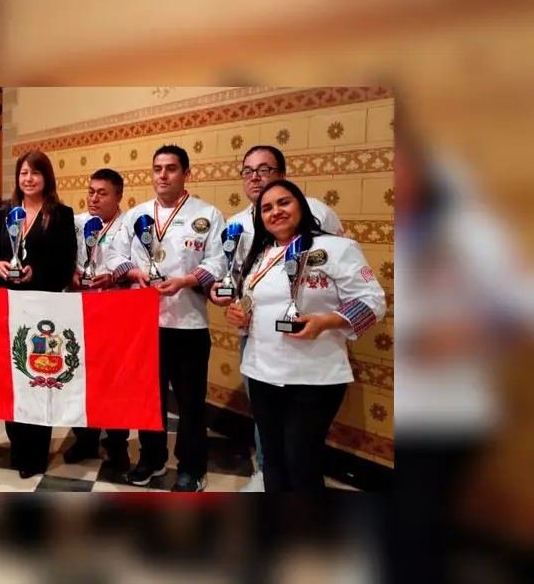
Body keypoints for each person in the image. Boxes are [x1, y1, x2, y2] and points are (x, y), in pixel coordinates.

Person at [217, 178, 385, 492]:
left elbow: (373, 302)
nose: (275, 212)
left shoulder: (335, 247)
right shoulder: (259, 256)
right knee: (273, 457)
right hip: (262, 371)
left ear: (301, 207)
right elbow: (251, 306)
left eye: (284, 203)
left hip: (314, 375)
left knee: (301, 458)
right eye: (266, 208)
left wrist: (325, 321)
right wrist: (238, 314)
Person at [107, 144, 227, 492]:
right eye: (157, 168)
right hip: (143, 324)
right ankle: (153, 459)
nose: (163, 175)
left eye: (171, 168)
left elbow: (218, 262)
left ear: (186, 173)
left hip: (188, 324)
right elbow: (115, 254)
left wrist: (188, 280)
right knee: (149, 398)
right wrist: (133, 274)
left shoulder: (208, 215)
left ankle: (192, 467)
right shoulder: (136, 214)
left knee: (190, 404)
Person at [225, 145, 344, 492]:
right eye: (248, 171)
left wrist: (326, 321)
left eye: (264, 169)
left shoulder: (322, 216)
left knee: (299, 449)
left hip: (312, 350)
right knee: (270, 433)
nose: (255, 178)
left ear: (282, 174)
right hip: (259, 342)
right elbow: (238, 282)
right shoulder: (239, 226)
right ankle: (265, 474)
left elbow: (348, 285)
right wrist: (233, 307)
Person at [0, 150, 77, 479]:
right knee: (13, 379)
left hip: (44, 311)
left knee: (40, 378)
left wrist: (33, 273)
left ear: (46, 178)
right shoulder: (5, 212)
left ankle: (36, 452)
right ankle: (17, 444)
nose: (28, 179)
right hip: (8, 308)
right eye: (24, 172)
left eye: (35, 173)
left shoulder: (62, 215)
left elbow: (66, 264)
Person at [61, 167, 130, 472]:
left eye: (102, 193)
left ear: (118, 197)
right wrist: (70, 274)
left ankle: (117, 445)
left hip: (114, 313)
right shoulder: (75, 222)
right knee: (78, 378)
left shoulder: (129, 225)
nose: (94, 198)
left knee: (115, 383)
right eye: (91, 191)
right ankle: (84, 438)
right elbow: (59, 258)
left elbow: (139, 265)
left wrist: (113, 276)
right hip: (77, 311)